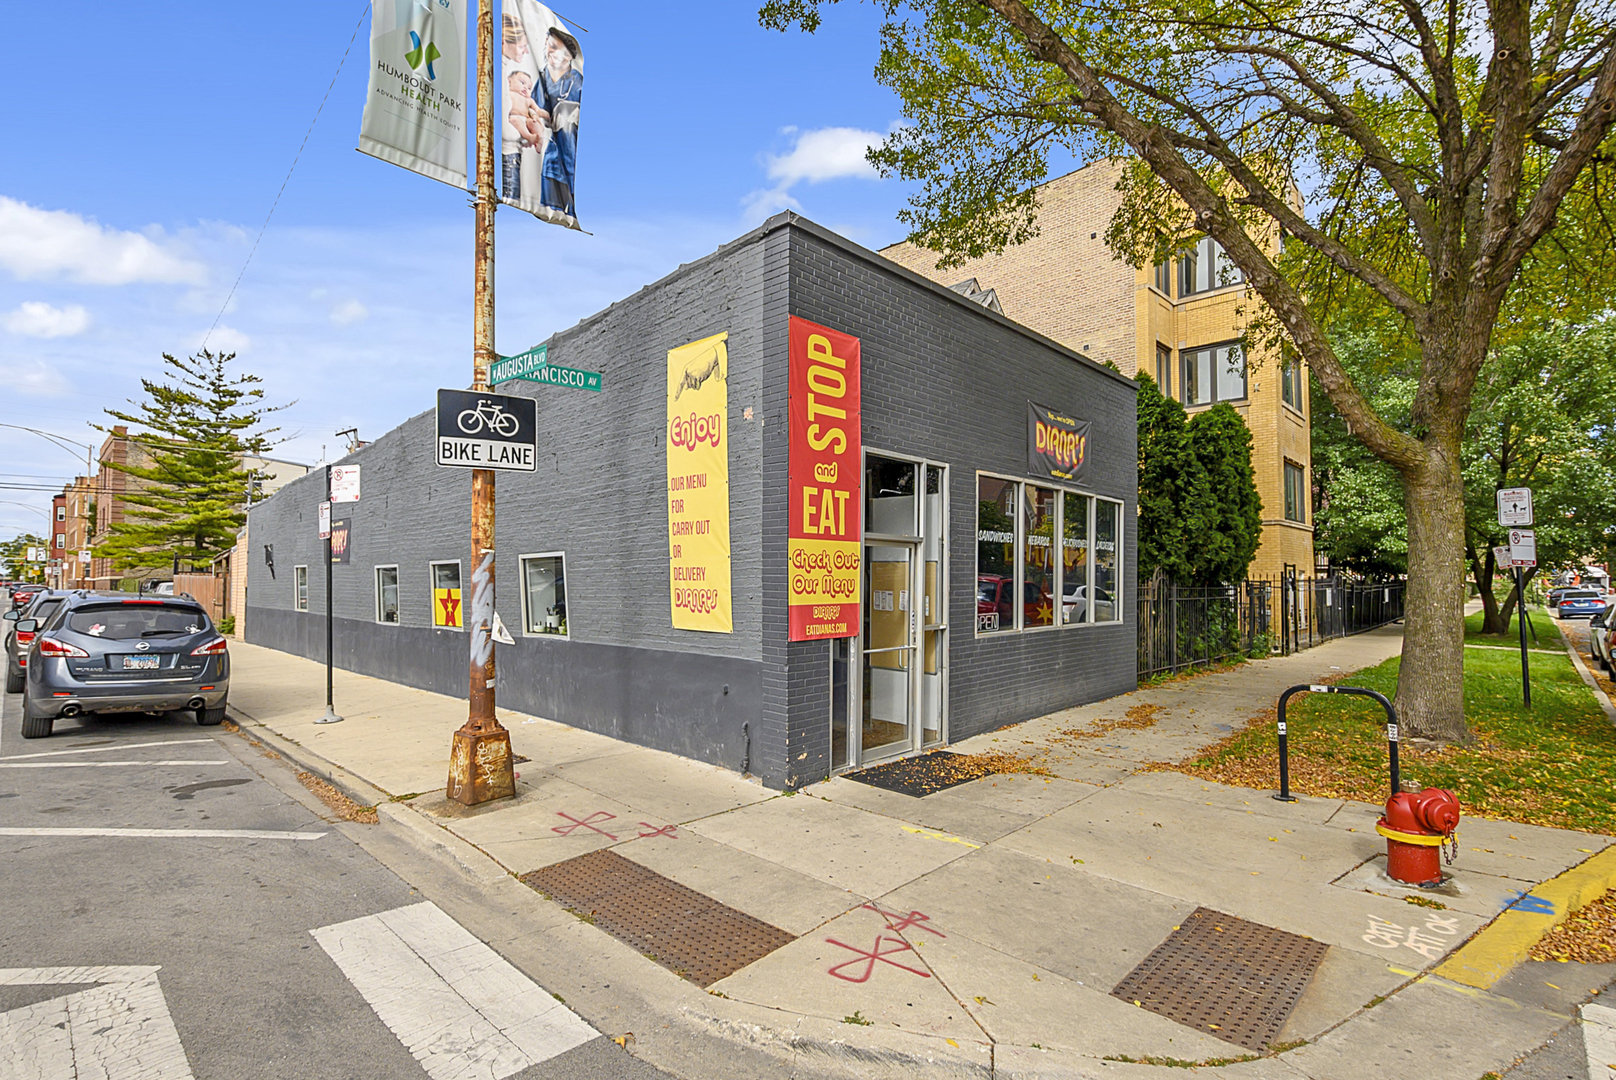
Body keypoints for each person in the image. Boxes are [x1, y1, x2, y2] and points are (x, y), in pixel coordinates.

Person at [532, 26, 582, 218]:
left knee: (567, 212)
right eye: (547, 46)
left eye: (554, 47)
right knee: (552, 213)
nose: (549, 52)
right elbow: (535, 106)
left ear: (569, 56)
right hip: (551, 162)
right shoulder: (543, 76)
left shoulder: (576, 81)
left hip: (569, 162)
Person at [499, 13, 532, 200]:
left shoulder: (505, 73)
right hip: (509, 157)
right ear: (505, 42)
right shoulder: (505, 77)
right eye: (522, 46)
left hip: (513, 155)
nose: (526, 51)